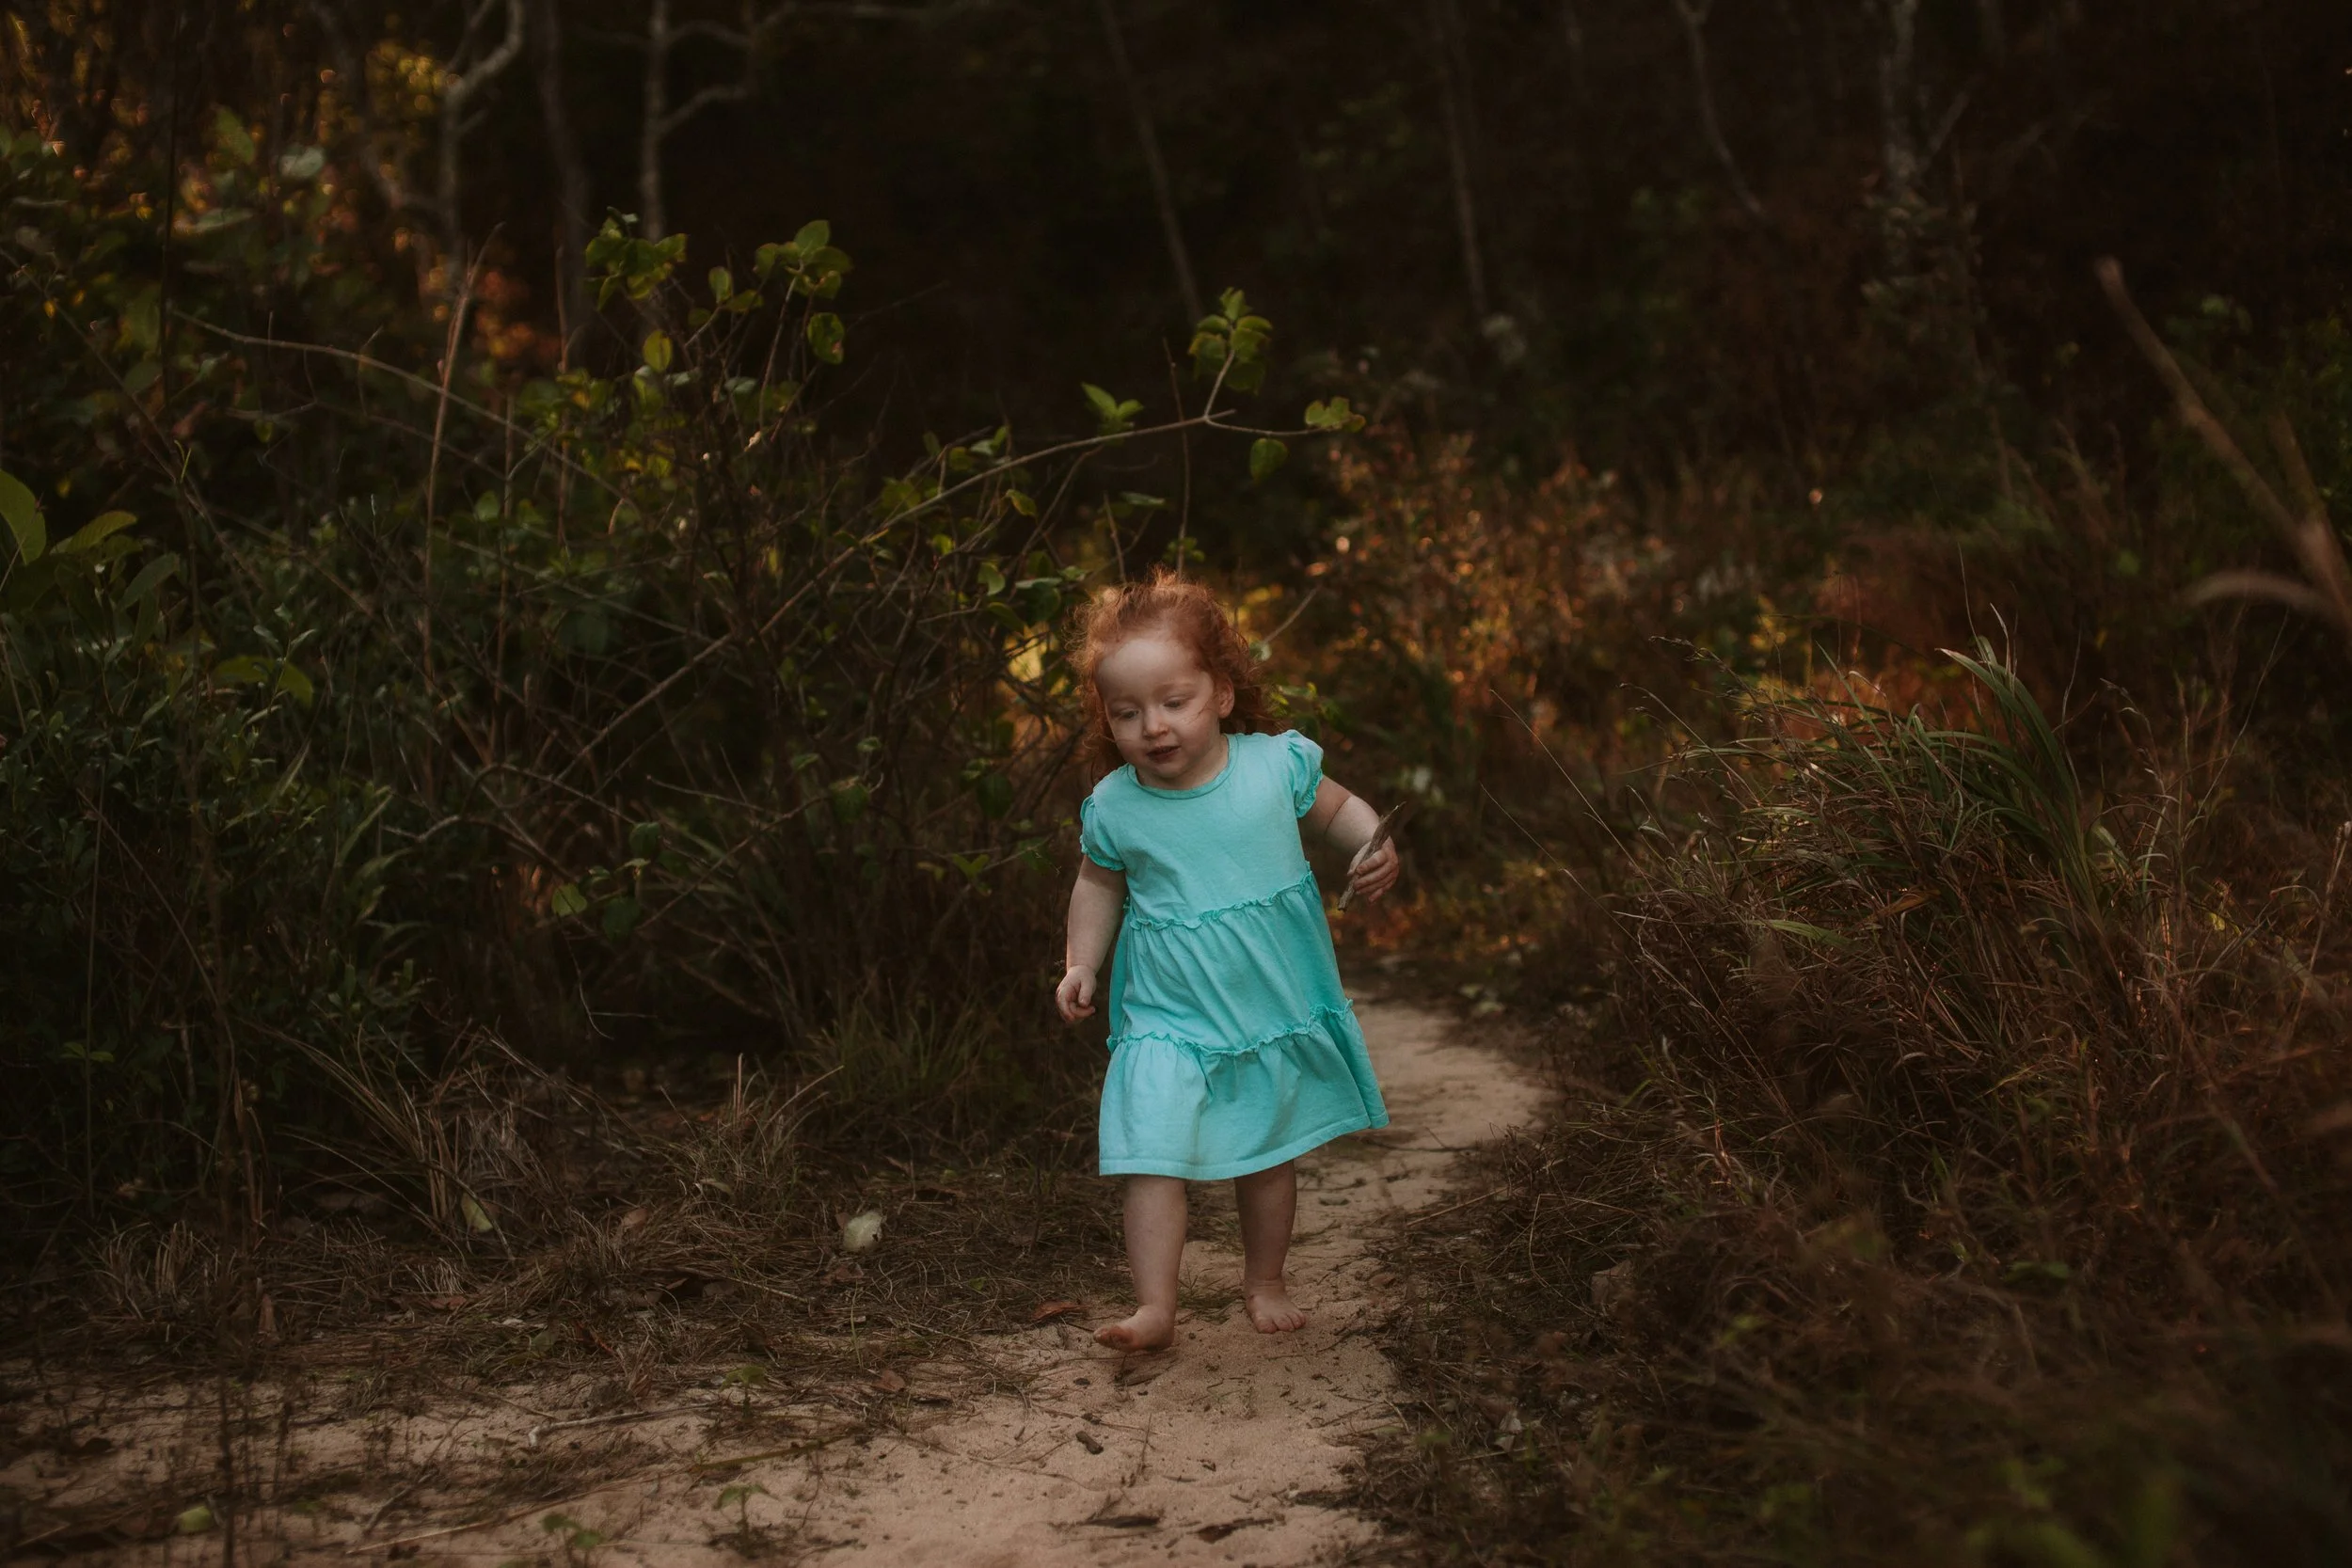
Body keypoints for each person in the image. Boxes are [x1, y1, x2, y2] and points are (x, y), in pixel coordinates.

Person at [1055, 571, 1399, 1353]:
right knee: (1151, 1148)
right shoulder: (1117, 804)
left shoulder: (1272, 767)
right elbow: (1096, 885)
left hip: (1264, 1008)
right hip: (1165, 1017)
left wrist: (1374, 845)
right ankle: (1155, 1307)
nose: (1153, 726)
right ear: (1109, 719)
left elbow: (1344, 812)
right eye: (1128, 712)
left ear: (1222, 694)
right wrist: (1082, 964)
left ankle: (1264, 1277)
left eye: (1173, 701)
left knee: (1267, 1152)